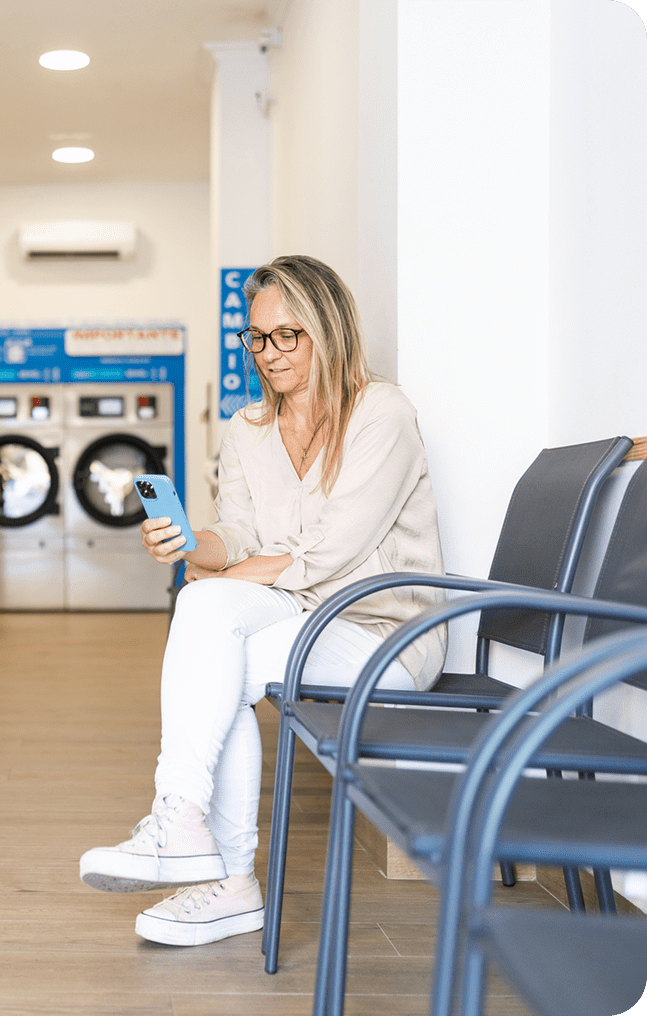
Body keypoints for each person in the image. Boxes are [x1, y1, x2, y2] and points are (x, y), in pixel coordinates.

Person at [78, 255, 446, 947]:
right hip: (301, 613)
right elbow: (241, 533)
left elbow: (330, 553)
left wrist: (230, 576)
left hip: (384, 629)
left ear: (328, 330)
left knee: (219, 652)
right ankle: (186, 824)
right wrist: (193, 547)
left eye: (288, 336)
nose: (268, 353)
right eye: (257, 337)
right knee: (205, 613)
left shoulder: (381, 413)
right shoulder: (247, 429)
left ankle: (221, 874)